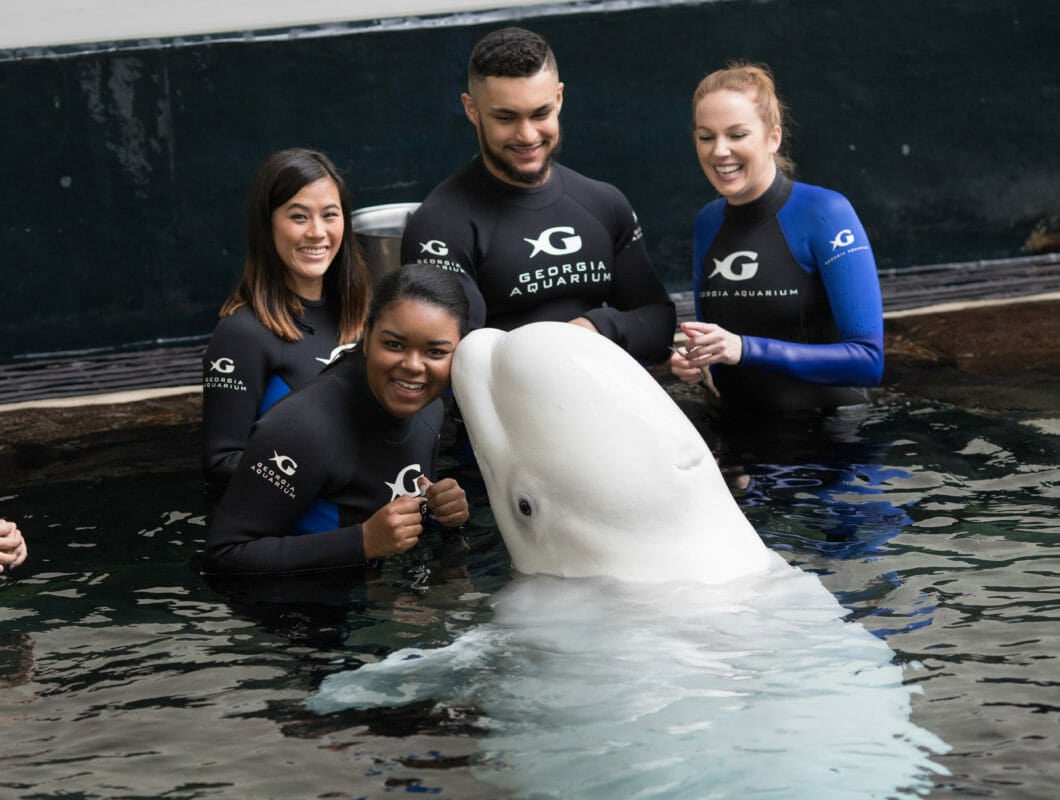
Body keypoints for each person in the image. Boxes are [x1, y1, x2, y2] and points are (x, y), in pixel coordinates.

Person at [400, 26, 675, 364]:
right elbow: (458, 354)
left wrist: (596, 328)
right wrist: (555, 346)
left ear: (559, 98)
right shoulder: (439, 226)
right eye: (506, 117)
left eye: (540, 113)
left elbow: (658, 322)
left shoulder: (604, 203)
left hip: (602, 399)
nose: (527, 134)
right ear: (471, 109)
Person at [202, 265, 471, 575]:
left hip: (381, 594)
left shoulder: (429, 407)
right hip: (306, 612)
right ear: (367, 336)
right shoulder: (302, 428)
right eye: (394, 345)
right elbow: (224, 555)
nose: (413, 366)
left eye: (435, 352)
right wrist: (363, 542)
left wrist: (442, 510)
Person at [670, 62, 884, 415]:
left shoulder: (825, 212)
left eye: (737, 135)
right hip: (742, 436)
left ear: (773, 137)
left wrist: (745, 348)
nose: (719, 151)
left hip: (832, 441)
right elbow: (723, 347)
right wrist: (697, 362)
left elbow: (868, 361)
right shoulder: (708, 221)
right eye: (706, 136)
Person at [202, 148, 371, 508]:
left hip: (365, 534)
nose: (317, 232)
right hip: (296, 548)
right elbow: (221, 464)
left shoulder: (363, 317)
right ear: (266, 225)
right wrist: (329, 471)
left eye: (330, 215)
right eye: (298, 217)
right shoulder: (242, 334)